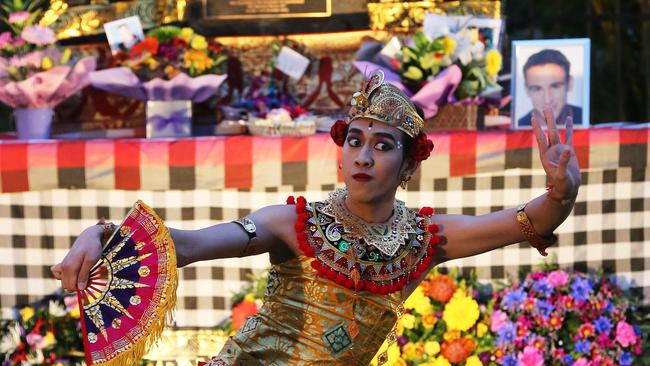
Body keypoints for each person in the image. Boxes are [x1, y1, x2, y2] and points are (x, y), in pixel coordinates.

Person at [51, 70, 581, 365]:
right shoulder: (292, 223)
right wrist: (102, 234)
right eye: (354, 141)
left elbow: (525, 222)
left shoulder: (423, 239)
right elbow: (185, 244)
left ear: (409, 164)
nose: (364, 157)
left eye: (382, 145)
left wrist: (559, 192)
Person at [518, 49, 582, 127]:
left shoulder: (587, 119)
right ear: (526, 89)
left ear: (569, 83)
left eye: (555, 86)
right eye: (537, 89)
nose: (547, 100)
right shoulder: (518, 127)